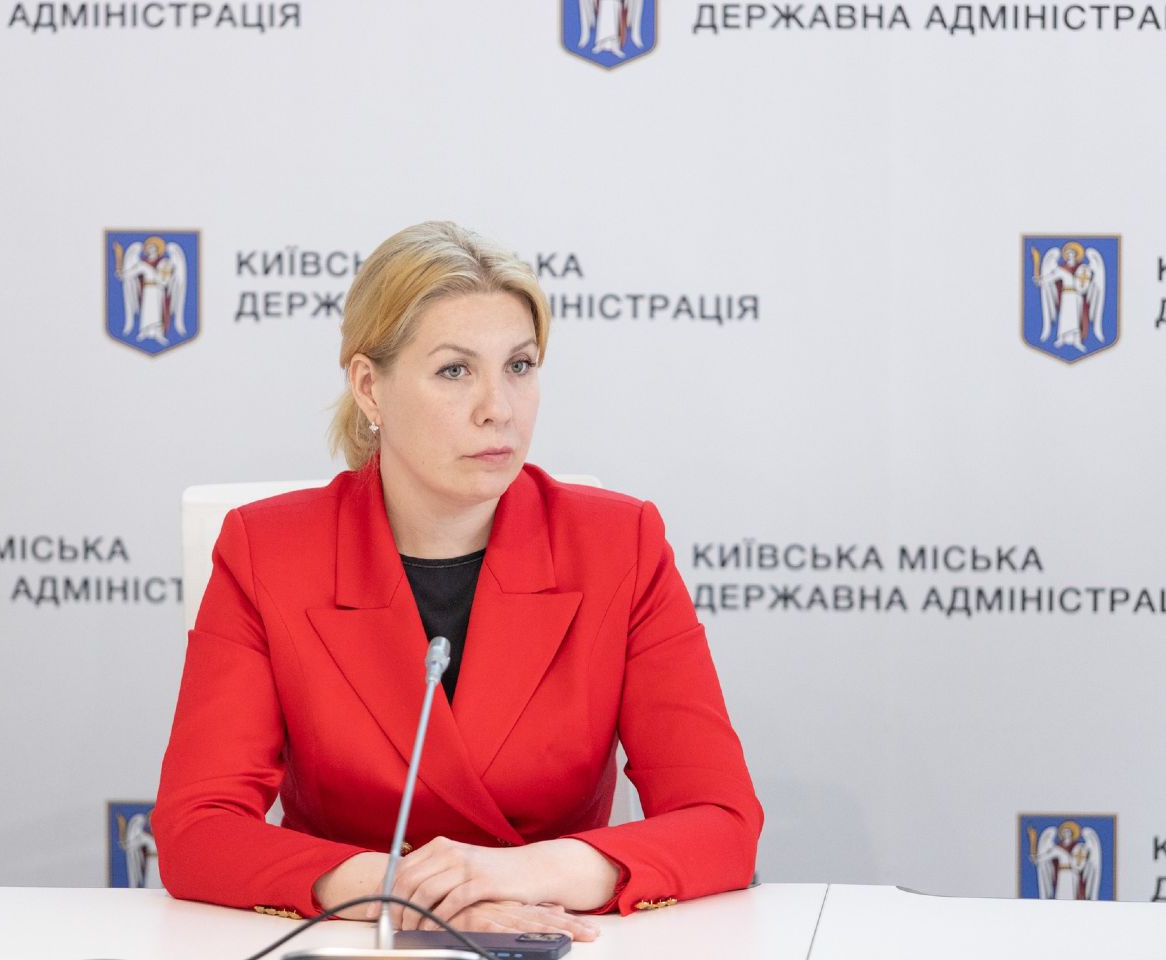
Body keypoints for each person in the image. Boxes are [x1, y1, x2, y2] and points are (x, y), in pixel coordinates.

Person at [152, 221, 762, 941]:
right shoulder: (268, 551)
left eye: (520, 366)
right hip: (356, 943)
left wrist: (524, 873)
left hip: (549, 936)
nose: (498, 407)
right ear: (369, 387)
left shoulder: (618, 544)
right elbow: (197, 828)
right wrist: (397, 892)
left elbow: (720, 819)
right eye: (454, 371)